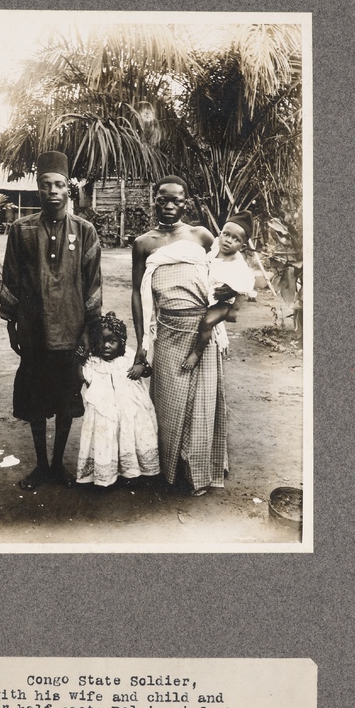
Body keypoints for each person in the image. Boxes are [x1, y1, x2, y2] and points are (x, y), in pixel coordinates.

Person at [0, 151, 102, 490]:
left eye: (59, 185)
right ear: (38, 190)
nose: (52, 192)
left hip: (71, 331)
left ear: (67, 189)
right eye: (46, 186)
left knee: (65, 401)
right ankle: (41, 466)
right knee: (36, 401)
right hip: (34, 329)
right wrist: (12, 324)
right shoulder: (21, 230)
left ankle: (58, 465)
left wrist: (90, 329)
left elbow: (93, 283)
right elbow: (11, 278)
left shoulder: (85, 231)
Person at [131, 175, 233, 495]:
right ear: (154, 200)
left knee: (202, 404)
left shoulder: (201, 235)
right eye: (164, 199)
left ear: (186, 202)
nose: (170, 205)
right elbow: (137, 294)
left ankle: (197, 471)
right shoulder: (144, 243)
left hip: (201, 332)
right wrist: (142, 344)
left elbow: (221, 282)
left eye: (177, 200)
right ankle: (169, 470)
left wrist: (214, 325)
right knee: (169, 404)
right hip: (167, 334)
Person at [76, 312, 160, 488]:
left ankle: (132, 470)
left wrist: (139, 366)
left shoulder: (128, 356)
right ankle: (106, 474)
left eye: (111, 341)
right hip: (103, 412)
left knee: (131, 435)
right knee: (106, 438)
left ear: (121, 342)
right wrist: (79, 360)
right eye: (101, 341)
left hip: (129, 408)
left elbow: (147, 370)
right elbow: (82, 377)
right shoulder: (93, 361)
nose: (106, 346)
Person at [182, 211, 256, 370]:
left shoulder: (238, 264)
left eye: (235, 239)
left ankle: (197, 352)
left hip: (223, 302)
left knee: (206, 322)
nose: (228, 241)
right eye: (226, 235)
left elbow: (245, 289)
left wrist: (234, 310)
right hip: (208, 295)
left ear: (242, 246)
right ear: (220, 234)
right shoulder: (216, 248)